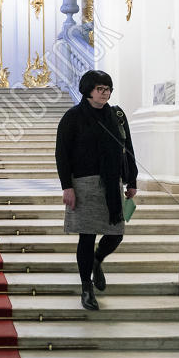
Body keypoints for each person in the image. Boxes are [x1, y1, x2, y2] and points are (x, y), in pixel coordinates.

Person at [56, 70, 137, 312]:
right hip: (84, 183)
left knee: (116, 233)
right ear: (88, 90)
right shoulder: (72, 117)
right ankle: (86, 287)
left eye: (108, 89)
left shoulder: (117, 115)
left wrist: (131, 180)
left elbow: (128, 148)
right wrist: (67, 187)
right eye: (100, 89)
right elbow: (62, 154)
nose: (105, 93)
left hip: (113, 183)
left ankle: (96, 260)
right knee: (87, 236)